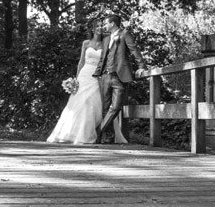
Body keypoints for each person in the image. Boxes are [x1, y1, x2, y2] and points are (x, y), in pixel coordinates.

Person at [47, 21, 116, 144]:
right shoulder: (86, 43)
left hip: (97, 76)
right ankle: (70, 133)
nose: (99, 28)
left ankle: (91, 132)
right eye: (97, 26)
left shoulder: (105, 44)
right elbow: (81, 62)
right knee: (78, 102)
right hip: (84, 75)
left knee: (92, 102)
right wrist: (76, 79)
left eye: (101, 26)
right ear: (93, 29)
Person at [93, 14, 148, 144]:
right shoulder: (106, 39)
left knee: (116, 107)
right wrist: (98, 73)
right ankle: (109, 137)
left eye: (106, 23)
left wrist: (141, 66)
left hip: (119, 77)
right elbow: (103, 58)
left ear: (112, 23)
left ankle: (98, 131)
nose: (104, 26)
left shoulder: (124, 34)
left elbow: (134, 50)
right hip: (105, 76)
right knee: (105, 108)